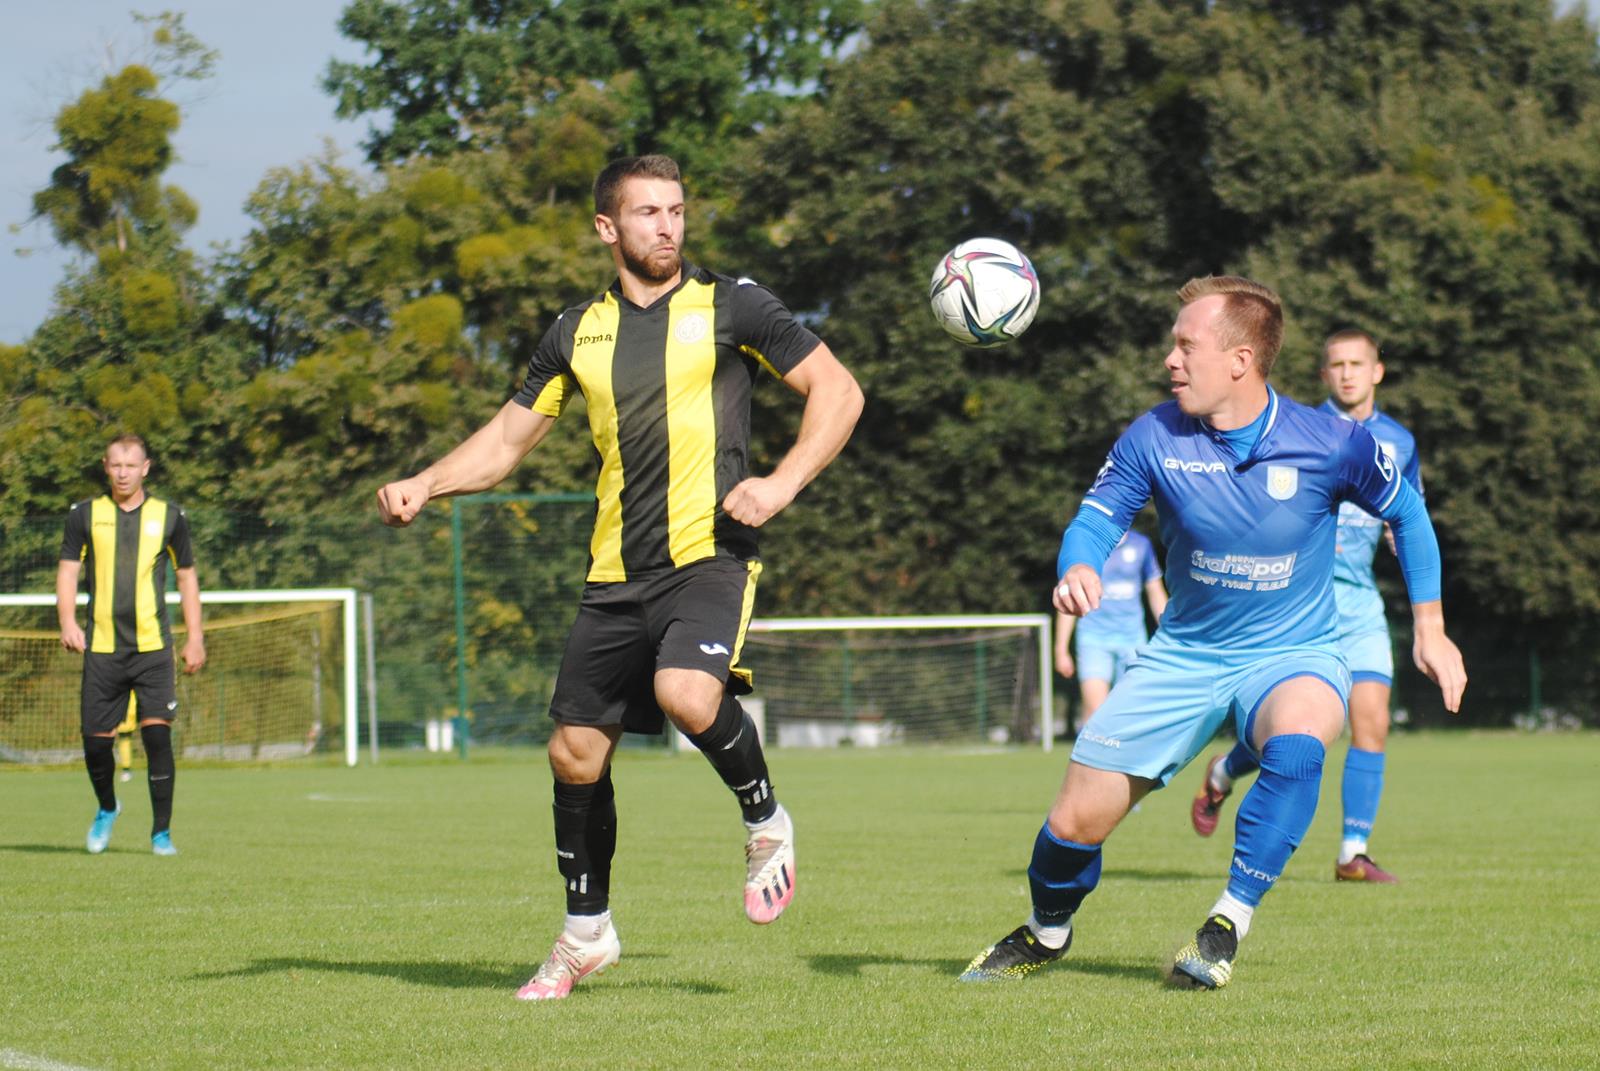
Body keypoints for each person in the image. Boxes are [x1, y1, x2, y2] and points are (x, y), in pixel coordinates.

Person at [376, 154, 863, 1002]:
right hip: (613, 573)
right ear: (608, 227)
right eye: (647, 213)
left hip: (710, 554)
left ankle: (765, 820)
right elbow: (503, 442)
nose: (668, 225)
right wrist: (427, 481)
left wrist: (781, 483)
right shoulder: (574, 332)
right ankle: (585, 933)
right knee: (573, 753)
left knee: (686, 693)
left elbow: (839, 389)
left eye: (676, 209)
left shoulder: (733, 304)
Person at [960, 276, 1464, 990]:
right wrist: (1079, 565)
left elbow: (1408, 513)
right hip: (1184, 655)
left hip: (1295, 650)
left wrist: (1431, 627)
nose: (1170, 359)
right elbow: (1098, 517)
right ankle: (1047, 931)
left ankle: (1228, 920)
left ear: (1240, 359)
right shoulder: (1155, 434)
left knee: (1301, 738)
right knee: (1072, 824)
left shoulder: (1333, 442)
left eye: (1184, 344)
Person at [1190, 329, 1420, 883]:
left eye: (1356, 364)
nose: (1346, 373)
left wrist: (1400, 534)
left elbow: (1410, 510)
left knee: (1372, 723)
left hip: (1360, 602)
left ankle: (1351, 854)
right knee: (1309, 731)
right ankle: (1225, 770)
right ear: (1324, 375)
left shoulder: (1400, 442)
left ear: (1376, 372)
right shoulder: (1301, 432)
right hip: (1300, 600)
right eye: (1336, 365)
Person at [58, 434, 206, 856]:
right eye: (116, 465)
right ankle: (107, 807)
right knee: (96, 744)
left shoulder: (170, 516)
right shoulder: (84, 515)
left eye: (131, 465)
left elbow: (187, 577)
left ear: (146, 468)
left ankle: (161, 833)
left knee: (157, 738)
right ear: (106, 466)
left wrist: (195, 637)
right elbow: (68, 571)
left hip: (153, 650)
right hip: (102, 649)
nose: (123, 473)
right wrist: (67, 622)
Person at [1053, 529, 1167, 730]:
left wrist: (1170, 633)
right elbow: (1069, 599)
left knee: (1132, 712)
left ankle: (1126, 760)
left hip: (1132, 640)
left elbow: (1155, 592)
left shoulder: (1142, 545)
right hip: (1093, 639)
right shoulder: (1087, 544)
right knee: (1095, 713)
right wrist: (1061, 650)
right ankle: (1091, 760)